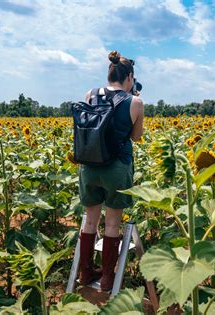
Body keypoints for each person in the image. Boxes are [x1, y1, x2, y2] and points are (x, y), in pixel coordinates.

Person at [77, 51, 144, 292]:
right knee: (113, 224)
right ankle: (106, 279)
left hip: (90, 167)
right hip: (116, 168)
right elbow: (136, 137)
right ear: (129, 77)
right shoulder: (135, 102)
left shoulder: (91, 94)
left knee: (90, 222)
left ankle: (85, 273)